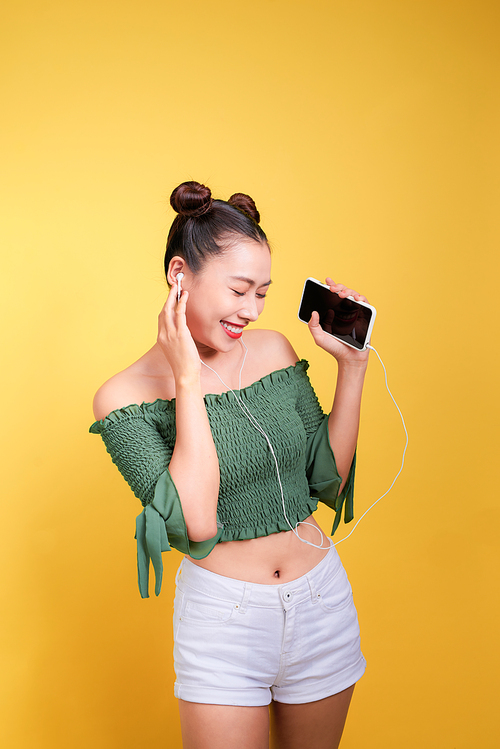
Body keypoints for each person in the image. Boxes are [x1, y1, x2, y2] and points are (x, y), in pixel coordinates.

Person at [90, 180, 369, 749]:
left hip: (322, 603)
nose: (253, 310)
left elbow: (329, 482)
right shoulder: (123, 399)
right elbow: (197, 523)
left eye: (263, 293)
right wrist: (187, 378)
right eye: (239, 290)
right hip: (225, 621)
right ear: (180, 276)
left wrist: (352, 369)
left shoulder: (274, 351)